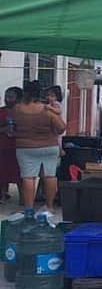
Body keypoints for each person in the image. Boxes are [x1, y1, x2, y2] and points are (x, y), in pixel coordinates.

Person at [11, 81, 66, 212]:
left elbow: (13, 125)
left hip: (25, 147)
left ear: (24, 93)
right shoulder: (47, 110)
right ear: (40, 93)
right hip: (49, 146)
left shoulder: (17, 109)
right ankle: (49, 206)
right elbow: (61, 128)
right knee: (50, 176)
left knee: (28, 177)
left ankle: (29, 208)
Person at [0, 87, 21, 202]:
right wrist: (4, 130)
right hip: (3, 146)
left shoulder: (22, 112)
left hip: (18, 146)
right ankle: (3, 195)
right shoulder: (1, 111)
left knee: (18, 173)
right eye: (6, 97)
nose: (7, 99)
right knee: (2, 172)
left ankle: (23, 197)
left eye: (11, 97)